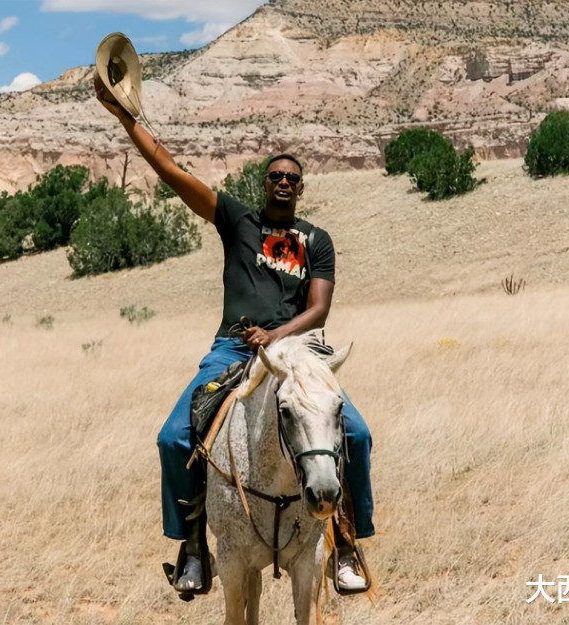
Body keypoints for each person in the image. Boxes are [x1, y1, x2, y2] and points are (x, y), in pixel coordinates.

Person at [96, 90, 374, 593]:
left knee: (355, 434)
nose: (284, 182)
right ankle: (193, 547)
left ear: (301, 188)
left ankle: (347, 544)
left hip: (297, 353)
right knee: (174, 438)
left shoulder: (316, 240)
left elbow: (318, 310)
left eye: (292, 178)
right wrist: (125, 117)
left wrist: (275, 335)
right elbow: (171, 171)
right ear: (264, 183)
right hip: (232, 349)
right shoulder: (238, 221)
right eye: (276, 176)